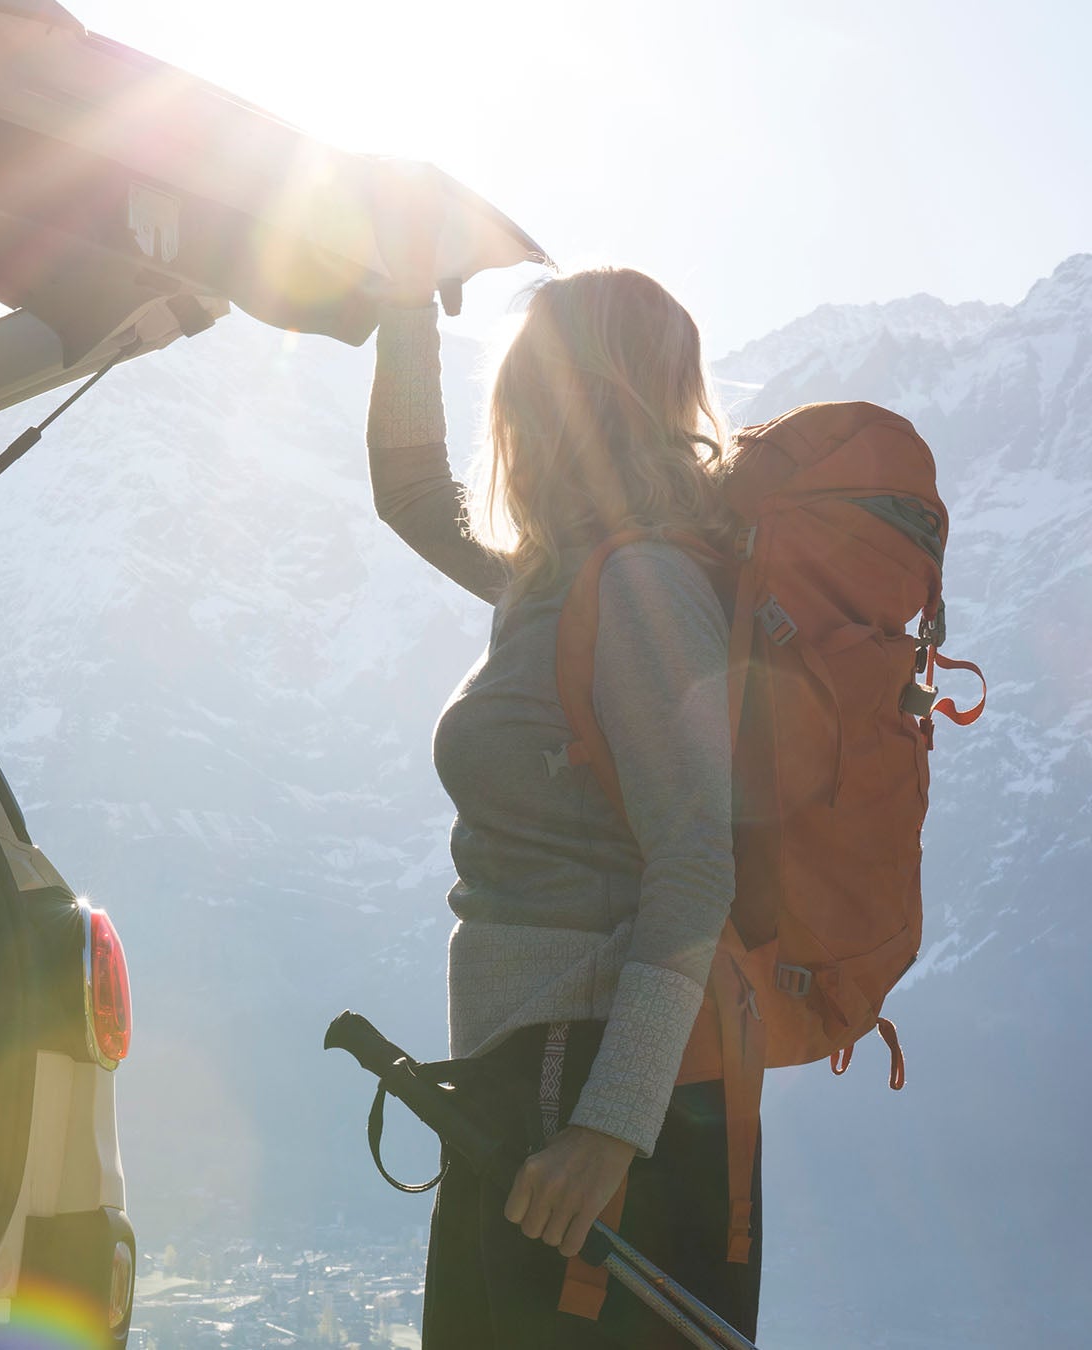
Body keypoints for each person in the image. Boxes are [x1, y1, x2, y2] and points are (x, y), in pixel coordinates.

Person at [366, 189, 750, 1347]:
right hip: (529, 1088)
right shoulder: (557, 582)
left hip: (586, 1098)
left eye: (526, 392)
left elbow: (695, 861)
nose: (511, 425)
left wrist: (606, 1129)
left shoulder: (642, 591)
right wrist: (403, 303)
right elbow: (412, 500)